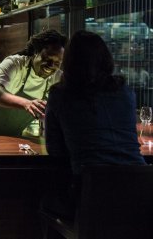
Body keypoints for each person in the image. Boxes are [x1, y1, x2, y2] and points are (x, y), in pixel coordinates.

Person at [42, 30, 146, 220]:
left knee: (43, 202)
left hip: (91, 195)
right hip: (140, 189)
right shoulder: (124, 92)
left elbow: (54, 149)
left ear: (69, 62)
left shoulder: (61, 95)